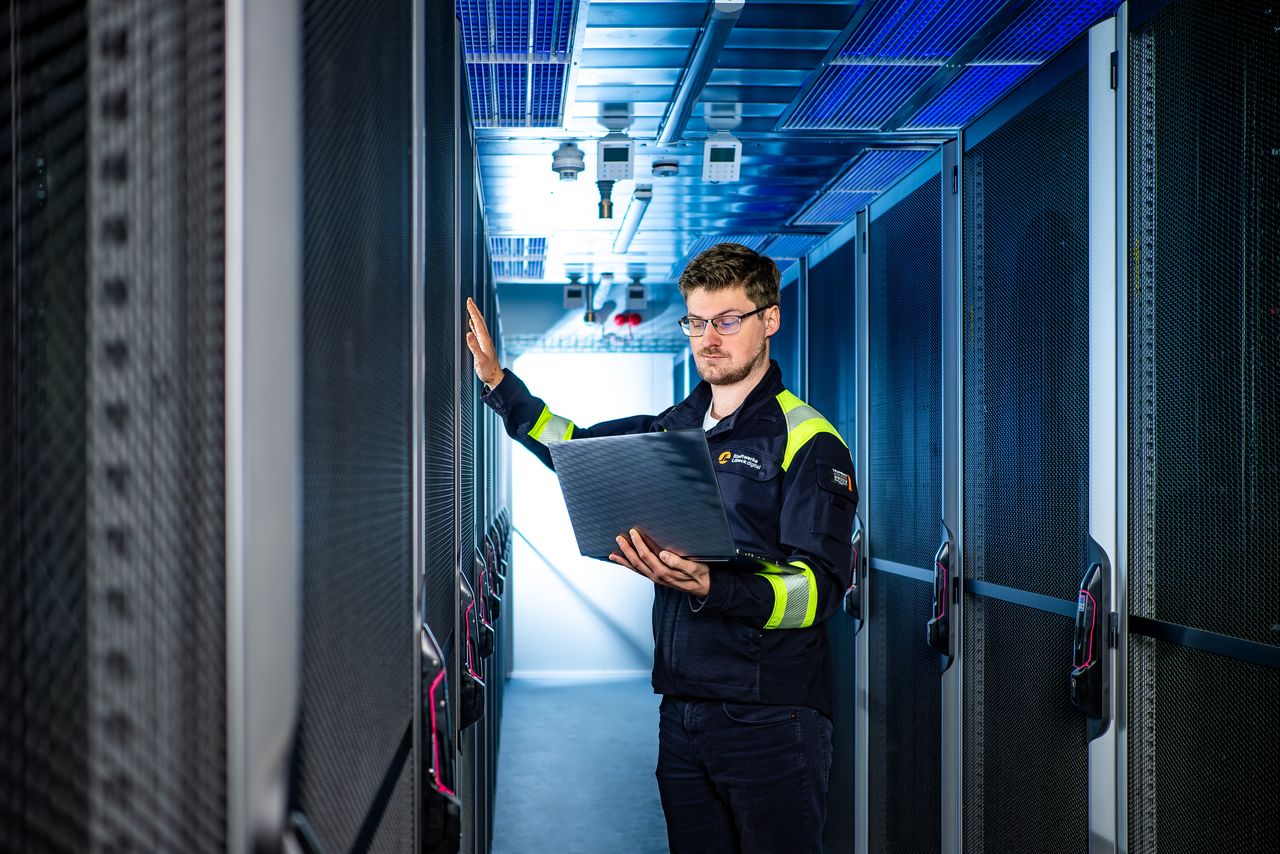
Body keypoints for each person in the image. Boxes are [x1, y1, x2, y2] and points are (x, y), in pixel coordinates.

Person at [465, 242, 856, 854]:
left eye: (727, 321)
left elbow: (818, 590)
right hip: (682, 710)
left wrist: (712, 585)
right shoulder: (673, 427)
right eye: (696, 322)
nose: (708, 338)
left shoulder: (808, 438)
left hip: (772, 718)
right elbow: (576, 451)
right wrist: (499, 385)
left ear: (769, 320)